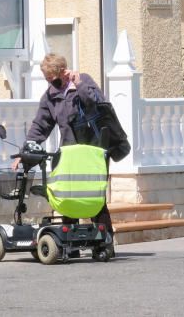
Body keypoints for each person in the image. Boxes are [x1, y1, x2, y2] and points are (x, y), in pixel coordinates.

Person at [13, 52, 114, 253]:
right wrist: (24, 152)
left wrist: (80, 86)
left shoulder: (84, 81)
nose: (52, 84)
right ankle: (71, 245)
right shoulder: (50, 96)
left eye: (54, 79)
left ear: (63, 71)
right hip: (69, 153)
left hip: (93, 151)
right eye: (48, 80)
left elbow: (98, 105)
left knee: (94, 197)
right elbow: (40, 126)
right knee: (69, 195)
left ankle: (106, 243)